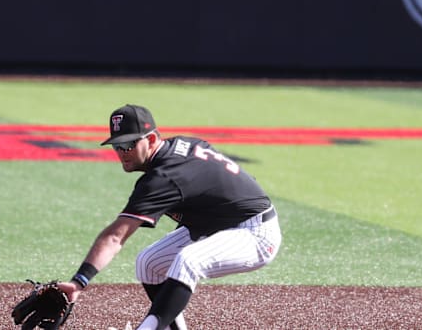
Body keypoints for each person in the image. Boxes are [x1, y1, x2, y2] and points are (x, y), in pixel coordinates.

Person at [56, 104, 282, 330]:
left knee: (189, 260)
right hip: (219, 224)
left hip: (254, 233)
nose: (122, 152)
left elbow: (116, 237)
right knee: (149, 262)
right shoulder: (179, 147)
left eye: (129, 144)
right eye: (117, 145)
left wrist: (79, 282)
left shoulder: (164, 177)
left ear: (152, 139)